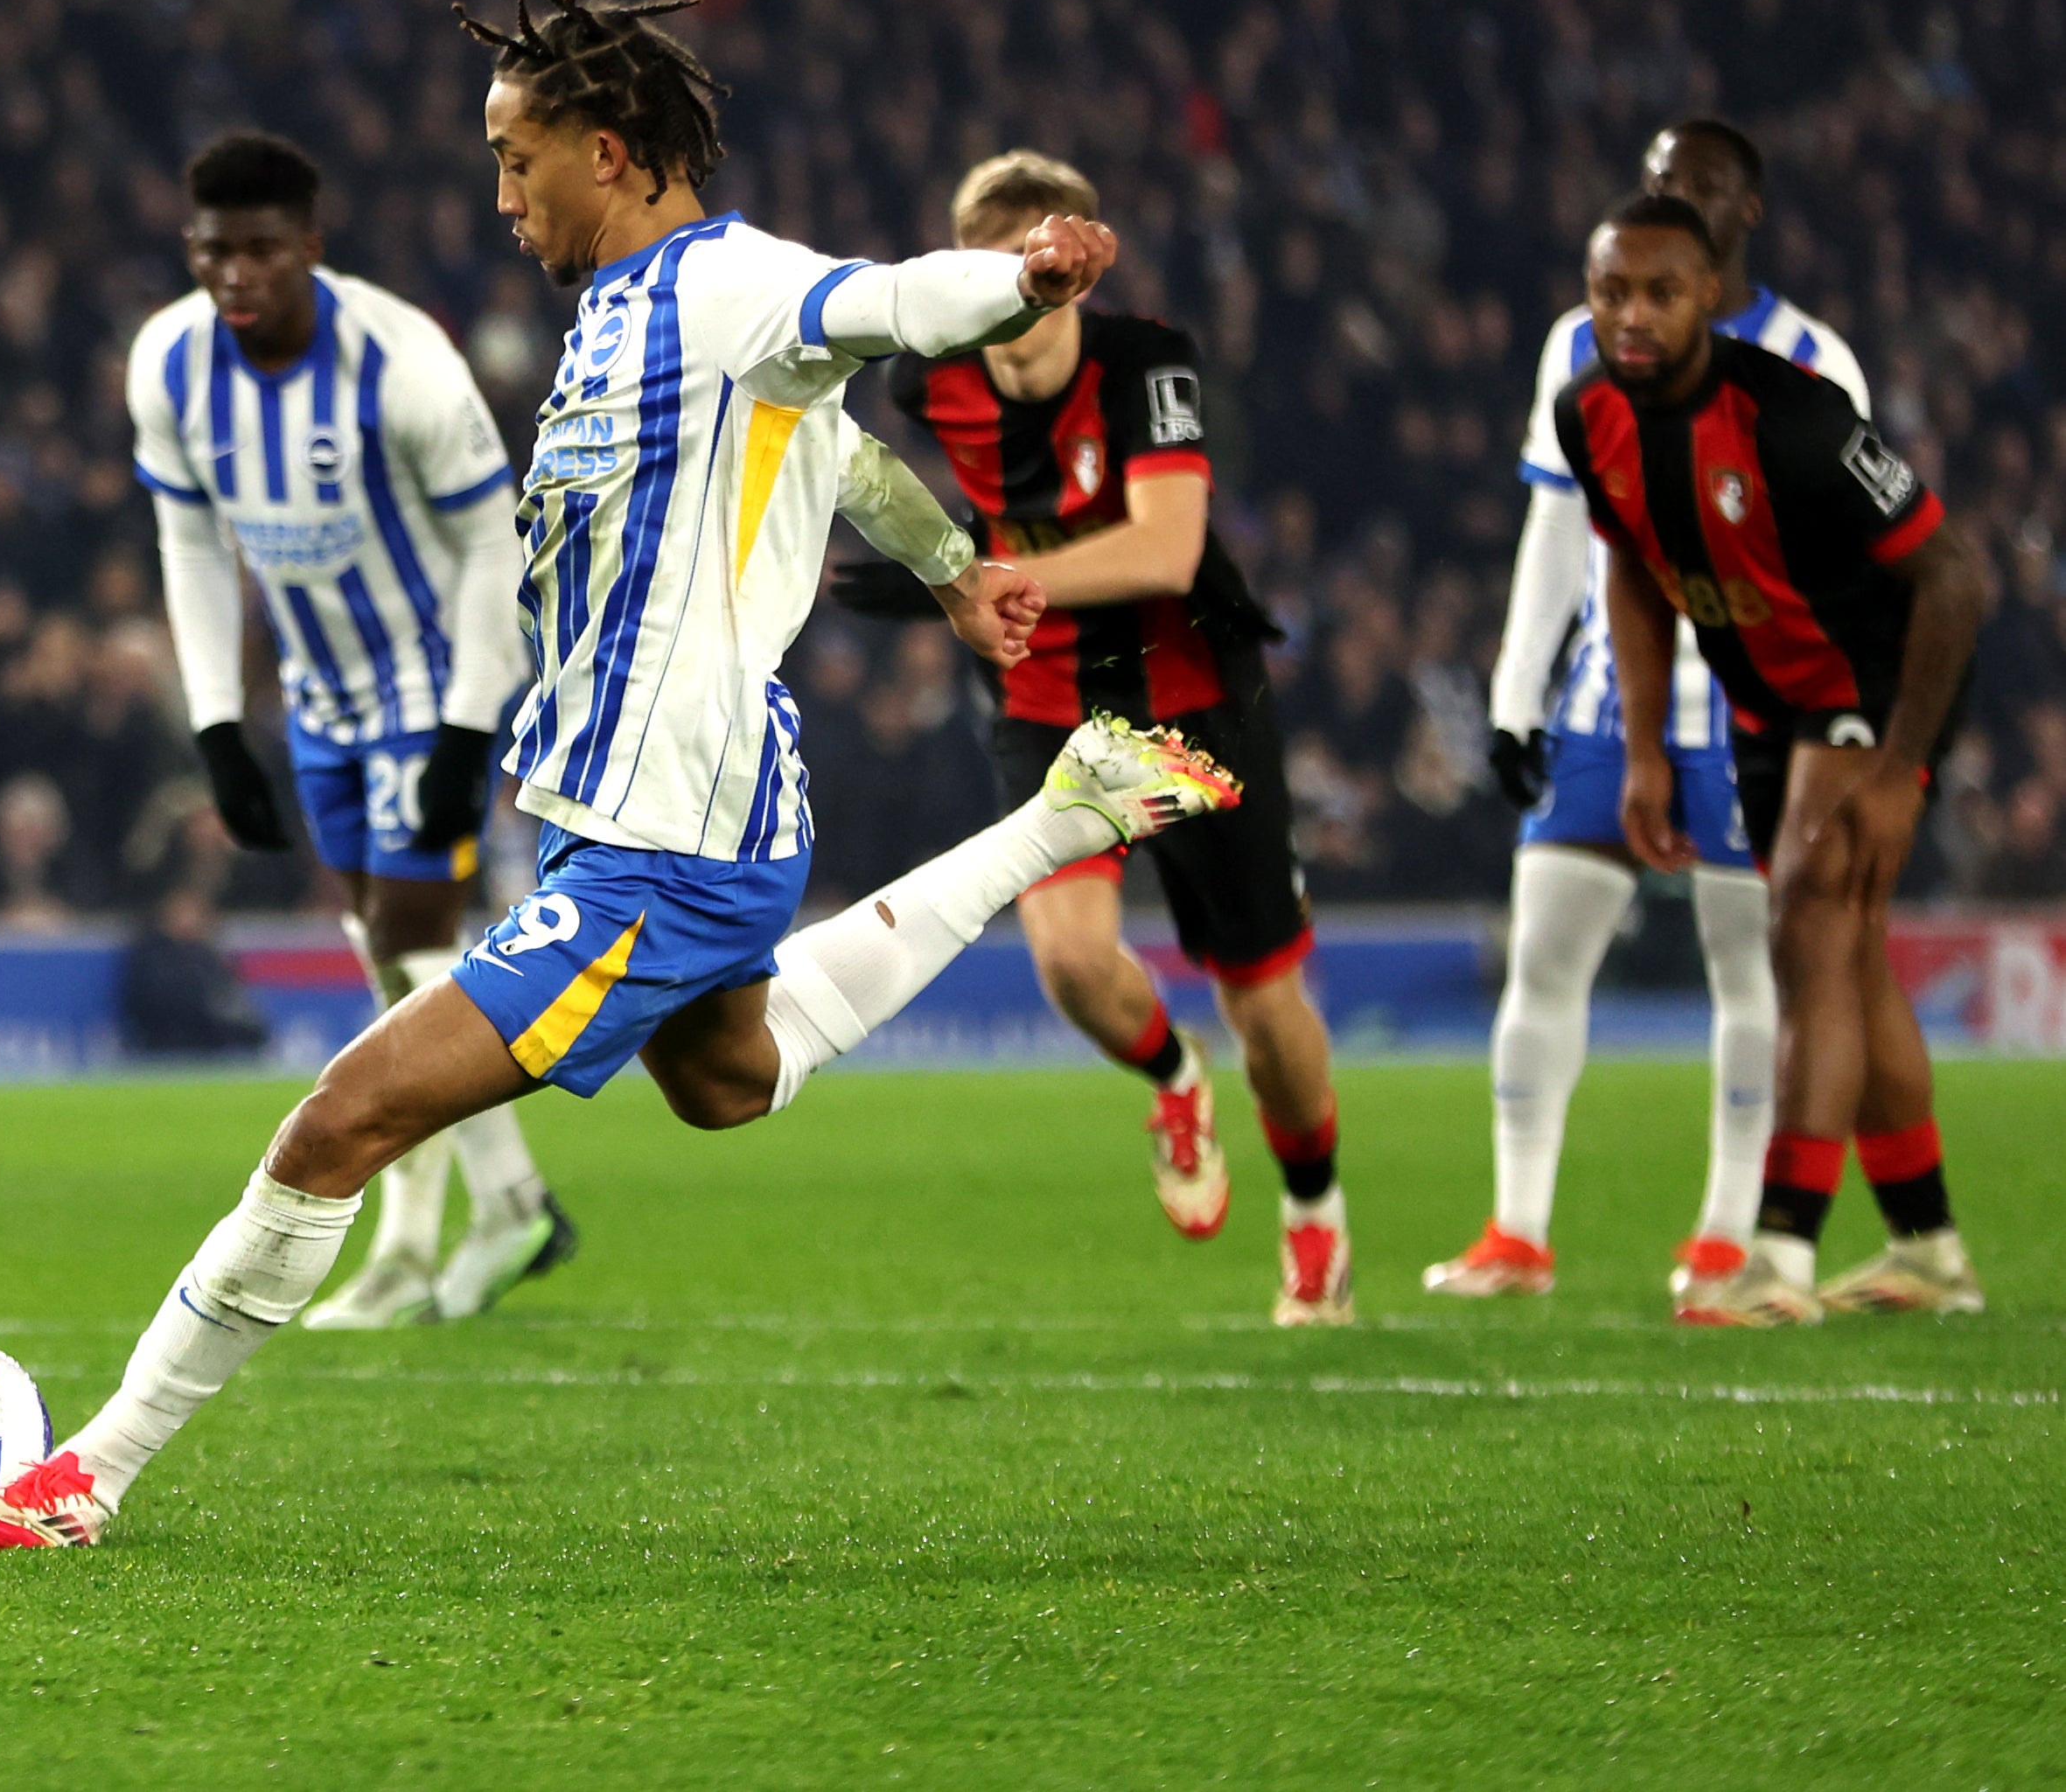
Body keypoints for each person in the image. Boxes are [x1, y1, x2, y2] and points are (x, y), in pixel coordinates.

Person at [0, 0, 1236, 1548]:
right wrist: (954, 571)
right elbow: (839, 455)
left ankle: (90, 1470)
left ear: (607, 155)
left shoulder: (723, 283)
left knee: (335, 1121)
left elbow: (888, 304)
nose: (497, 194)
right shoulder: (625, 321)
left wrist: (1021, 281)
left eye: (512, 157)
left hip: (666, 823)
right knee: (724, 1077)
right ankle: (1060, 819)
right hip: (639, 806)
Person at [837, 149, 1349, 1326]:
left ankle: (1315, 1213)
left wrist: (990, 577)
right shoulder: (931, 384)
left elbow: (1166, 551)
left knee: (1266, 1001)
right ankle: (1173, 1078)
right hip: (1049, 699)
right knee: (1067, 960)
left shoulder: (1146, 363)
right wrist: (937, 573)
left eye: (1036, 264)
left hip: (1194, 695)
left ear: (1074, 267)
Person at [131, 129, 569, 1328]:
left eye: (262, 250)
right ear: (193, 250)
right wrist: (219, 722)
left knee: (418, 943)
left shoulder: (402, 362)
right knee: (385, 955)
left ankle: (504, 1207)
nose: (236, 275)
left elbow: (493, 543)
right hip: (320, 701)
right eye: (215, 251)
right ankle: (439, 1233)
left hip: (432, 684)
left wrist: (471, 728)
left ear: (310, 249)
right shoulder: (168, 366)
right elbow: (190, 543)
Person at [1431, 122, 1867, 1312]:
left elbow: (1842, 555)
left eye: (1707, 186)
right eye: (1667, 177)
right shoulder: (1578, 346)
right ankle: (1516, 1233)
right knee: (1545, 953)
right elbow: (1554, 528)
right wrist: (1515, 694)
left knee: (1749, 973)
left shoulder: (1808, 357)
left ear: (1747, 215)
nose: (1681, 194)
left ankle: (1725, 1239)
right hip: (1601, 705)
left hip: (1751, 713)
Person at [1549, 196, 1984, 1326]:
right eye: (1610, 292)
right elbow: (1638, 575)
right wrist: (1641, 747)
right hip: (1768, 698)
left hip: (1867, 685)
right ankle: (1928, 1248)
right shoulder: (1585, 412)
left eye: (1659, 292)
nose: (1631, 315)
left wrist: (1899, 767)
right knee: (1849, 953)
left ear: (1708, 294)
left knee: (1801, 925)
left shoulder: (1789, 417)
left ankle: (1780, 1256)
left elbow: (1954, 577)